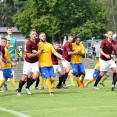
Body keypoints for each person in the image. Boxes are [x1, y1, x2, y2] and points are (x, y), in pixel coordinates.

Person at [17, 29, 42, 96]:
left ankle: (27, 87)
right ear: (30, 35)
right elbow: (29, 55)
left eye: (35, 34)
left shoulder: (37, 40)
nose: (34, 35)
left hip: (35, 62)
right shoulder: (28, 43)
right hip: (28, 62)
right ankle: (19, 89)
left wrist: (37, 51)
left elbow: (39, 46)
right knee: (24, 76)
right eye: (33, 34)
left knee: (36, 75)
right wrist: (37, 53)